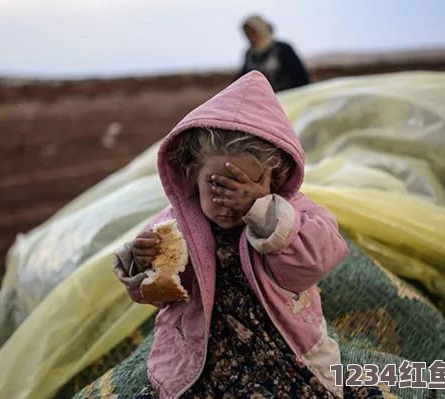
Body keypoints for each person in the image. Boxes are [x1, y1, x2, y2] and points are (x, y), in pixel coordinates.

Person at [113, 71, 383, 398]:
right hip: (202, 354)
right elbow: (162, 293)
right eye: (217, 185)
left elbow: (306, 267)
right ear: (191, 175)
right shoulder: (175, 224)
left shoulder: (297, 213)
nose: (232, 200)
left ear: (276, 178)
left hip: (279, 347)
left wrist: (261, 213)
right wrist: (141, 263)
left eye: (249, 186)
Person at [236, 15, 311, 92]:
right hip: (262, 100)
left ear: (261, 29)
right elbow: (242, 80)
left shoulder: (283, 49)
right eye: (247, 34)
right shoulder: (249, 55)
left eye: (253, 32)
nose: (251, 37)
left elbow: (301, 77)